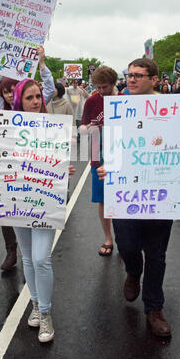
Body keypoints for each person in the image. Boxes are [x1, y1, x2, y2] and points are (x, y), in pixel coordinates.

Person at [97, 58, 180, 338]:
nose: (131, 80)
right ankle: (132, 271)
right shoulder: (117, 107)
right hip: (126, 193)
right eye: (129, 75)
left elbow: (179, 144)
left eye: (138, 76)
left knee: (156, 254)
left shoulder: (169, 107)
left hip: (159, 194)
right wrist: (105, 166)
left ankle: (154, 309)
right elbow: (112, 146)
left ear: (154, 79)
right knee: (128, 246)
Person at [0, 78, 75, 343]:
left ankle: (47, 312)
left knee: (41, 258)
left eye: (38, 96)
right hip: (15, 200)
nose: (36, 101)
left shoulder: (52, 127)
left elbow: (62, 161)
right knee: (28, 258)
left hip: (44, 200)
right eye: (29, 97)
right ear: (19, 100)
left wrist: (64, 169)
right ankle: (37, 306)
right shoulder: (5, 128)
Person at [0, 37, 55, 271]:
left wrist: (41, 63)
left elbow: (48, 89)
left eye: (13, 90)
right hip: (7, 172)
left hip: (34, 170)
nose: (10, 95)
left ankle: (31, 262)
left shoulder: (33, 104)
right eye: (6, 91)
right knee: (7, 213)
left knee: (33, 217)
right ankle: (13, 251)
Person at [80, 66, 119, 257]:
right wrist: (88, 127)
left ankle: (122, 236)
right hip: (98, 154)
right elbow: (81, 128)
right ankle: (108, 238)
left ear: (113, 83)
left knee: (121, 196)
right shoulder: (92, 100)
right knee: (102, 199)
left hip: (120, 154)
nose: (101, 91)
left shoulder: (123, 99)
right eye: (98, 87)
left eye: (105, 87)